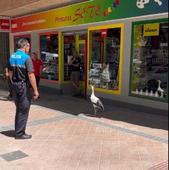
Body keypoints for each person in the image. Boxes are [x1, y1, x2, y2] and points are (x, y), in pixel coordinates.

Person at [9, 38, 39, 140]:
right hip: (23, 87)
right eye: (28, 46)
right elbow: (31, 75)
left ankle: (18, 130)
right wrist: (35, 90)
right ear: (25, 46)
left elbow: (10, 73)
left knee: (19, 109)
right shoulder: (26, 58)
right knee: (24, 109)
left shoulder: (12, 56)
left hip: (15, 86)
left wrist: (13, 84)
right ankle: (20, 133)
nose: (29, 48)